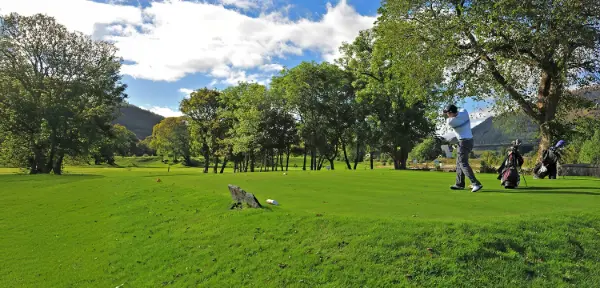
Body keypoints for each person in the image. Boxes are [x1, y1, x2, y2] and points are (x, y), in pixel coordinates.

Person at [444, 104, 483, 192]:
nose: (446, 114)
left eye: (447, 113)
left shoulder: (450, 121)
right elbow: (462, 109)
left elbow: (449, 119)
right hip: (469, 141)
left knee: (463, 163)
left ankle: (476, 183)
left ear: (450, 113)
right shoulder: (464, 112)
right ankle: (459, 184)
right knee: (459, 162)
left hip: (463, 142)